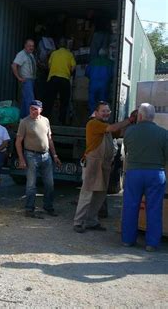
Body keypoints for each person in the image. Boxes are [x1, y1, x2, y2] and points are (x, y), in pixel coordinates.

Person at [73, 101, 133, 233]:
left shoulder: (104, 125)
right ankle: (78, 222)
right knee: (87, 193)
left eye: (108, 111)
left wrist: (131, 124)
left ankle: (91, 221)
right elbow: (112, 129)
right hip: (93, 163)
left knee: (100, 194)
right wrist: (130, 119)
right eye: (103, 111)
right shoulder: (93, 123)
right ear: (96, 112)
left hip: (104, 164)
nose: (106, 113)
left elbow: (118, 132)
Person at [122, 103, 168, 251]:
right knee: (154, 208)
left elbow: (127, 151)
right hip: (156, 173)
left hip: (134, 173)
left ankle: (127, 240)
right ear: (153, 116)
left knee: (130, 206)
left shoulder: (129, 132)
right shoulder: (164, 133)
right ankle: (152, 244)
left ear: (140, 116)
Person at [15, 100, 62, 218]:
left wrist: (55, 155)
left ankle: (48, 207)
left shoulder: (45, 120)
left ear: (41, 110)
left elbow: (49, 139)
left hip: (46, 156)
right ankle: (29, 209)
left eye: (35, 109)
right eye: (31, 108)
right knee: (31, 184)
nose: (33, 111)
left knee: (50, 184)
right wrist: (21, 159)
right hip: (31, 155)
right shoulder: (24, 122)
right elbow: (18, 142)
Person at [44, 38, 76, 125]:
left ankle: (46, 120)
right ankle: (62, 120)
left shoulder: (54, 53)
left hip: (53, 79)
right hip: (64, 79)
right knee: (64, 101)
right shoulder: (69, 54)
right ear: (66, 45)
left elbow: (49, 65)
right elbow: (73, 67)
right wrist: (68, 72)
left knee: (49, 100)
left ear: (58, 45)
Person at [12, 39, 37, 119]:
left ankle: (22, 119)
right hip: (26, 80)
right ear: (25, 46)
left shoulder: (31, 55)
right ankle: (29, 119)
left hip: (31, 80)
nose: (31, 47)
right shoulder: (21, 54)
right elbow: (14, 65)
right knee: (29, 100)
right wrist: (19, 77)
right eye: (29, 46)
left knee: (24, 101)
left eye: (32, 46)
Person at [86, 48, 113, 114]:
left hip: (93, 84)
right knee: (103, 102)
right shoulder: (110, 62)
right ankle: (101, 118)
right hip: (104, 85)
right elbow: (112, 74)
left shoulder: (92, 62)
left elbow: (87, 73)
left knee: (92, 101)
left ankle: (93, 116)